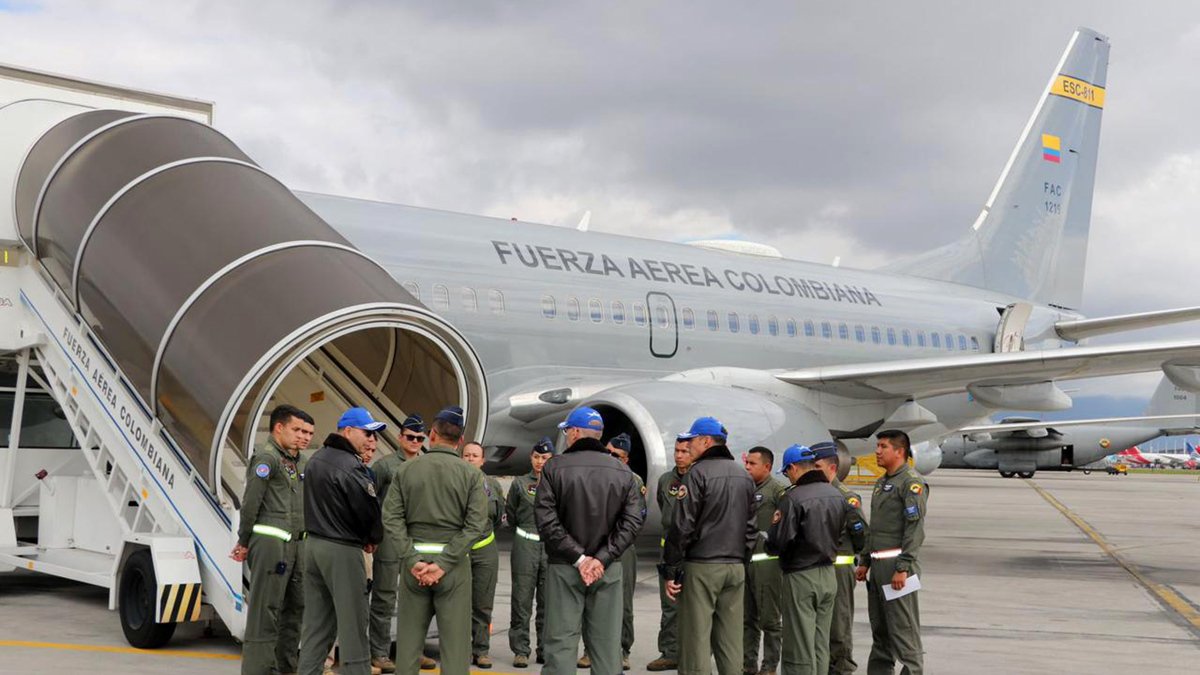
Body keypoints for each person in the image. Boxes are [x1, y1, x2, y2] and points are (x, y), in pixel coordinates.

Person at [534, 407, 644, 675]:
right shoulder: (622, 472)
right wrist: (601, 558)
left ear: (574, 433)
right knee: (607, 646)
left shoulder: (555, 467)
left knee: (560, 643)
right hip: (607, 569)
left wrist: (580, 558)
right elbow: (631, 523)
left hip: (564, 567)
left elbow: (546, 520)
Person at [383, 406, 488, 675]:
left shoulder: (406, 470)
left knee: (408, 646)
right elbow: (476, 525)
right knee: (454, 648)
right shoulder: (472, 475)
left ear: (431, 435)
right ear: (460, 441)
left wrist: (412, 559)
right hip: (453, 569)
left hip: (413, 568)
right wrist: (443, 564)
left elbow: (391, 518)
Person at [663, 417, 756, 675]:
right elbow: (751, 528)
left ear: (705, 441)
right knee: (730, 641)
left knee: (695, 641)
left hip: (702, 566)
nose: (688, 445)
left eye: (691, 440)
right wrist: (740, 560)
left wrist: (671, 569)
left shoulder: (697, 473)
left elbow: (682, 525)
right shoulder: (743, 474)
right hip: (735, 567)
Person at [297, 407, 385, 675]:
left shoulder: (316, 459)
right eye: (367, 433)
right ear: (348, 431)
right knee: (354, 628)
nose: (371, 439)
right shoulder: (350, 466)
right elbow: (368, 512)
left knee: (316, 626)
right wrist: (372, 538)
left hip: (314, 546)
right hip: (342, 550)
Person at [232, 404, 314, 675]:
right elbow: (251, 503)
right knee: (265, 612)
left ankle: (285, 668)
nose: (304, 437)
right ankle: (258, 670)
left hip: (297, 547)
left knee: (295, 610)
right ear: (279, 428)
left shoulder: (301, 462)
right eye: (298, 430)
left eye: (309, 432)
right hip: (271, 546)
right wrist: (243, 541)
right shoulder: (266, 460)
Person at [765, 445, 847, 675]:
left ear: (793, 468)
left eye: (786, 472)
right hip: (828, 575)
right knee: (820, 643)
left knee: (798, 645)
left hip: (801, 576)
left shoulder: (793, 497)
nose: (787, 476)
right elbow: (841, 534)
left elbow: (778, 541)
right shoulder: (836, 494)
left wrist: (767, 541)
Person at [854, 430, 928, 675]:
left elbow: (914, 529)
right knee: (881, 631)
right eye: (877, 446)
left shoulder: (911, 483)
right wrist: (864, 560)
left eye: (883, 446)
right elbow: (875, 528)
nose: (877, 451)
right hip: (878, 567)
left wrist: (903, 567)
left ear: (899, 451)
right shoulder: (883, 482)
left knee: (903, 631)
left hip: (897, 567)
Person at [368, 415, 434, 673]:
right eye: (410, 437)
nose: (415, 441)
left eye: (420, 438)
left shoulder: (427, 465)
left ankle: (412, 651)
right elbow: (371, 503)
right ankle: (380, 653)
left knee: (415, 600)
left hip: (417, 542)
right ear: (400, 437)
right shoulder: (384, 466)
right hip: (390, 540)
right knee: (384, 598)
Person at [580, 432, 647, 671]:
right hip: (596, 545)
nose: (611, 457)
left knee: (623, 602)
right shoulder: (597, 475)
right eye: (608, 452)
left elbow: (637, 519)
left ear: (626, 459)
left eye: (617, 455)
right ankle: (590, 650)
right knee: (592, 600)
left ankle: (623, 649)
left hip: (622, 548)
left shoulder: (634, 481)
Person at [811, 442, 868, 675]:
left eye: (817, 465)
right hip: (817, 569)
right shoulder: (812, 494)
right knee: (819, 626)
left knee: (838, 626)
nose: (812, 470)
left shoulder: (846, 497)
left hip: (838, 569)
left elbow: (862, 534)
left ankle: (842, 668)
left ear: (832, 467)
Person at [646, 435, 693, 672]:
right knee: (670, 605)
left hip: (693, 553)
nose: (679, 455)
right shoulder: (666, 480)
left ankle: (693, 654)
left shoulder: (699, 478)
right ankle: (669, 653)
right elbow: (665, 512)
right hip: (669, 551)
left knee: (695, 607)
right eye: (677, 450)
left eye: (685, 451)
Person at [506, 437, 554, 668]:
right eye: (536, 457)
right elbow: (512, 515)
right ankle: (521, 650)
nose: (540, 462)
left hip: (550, 548)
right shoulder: (519, 484)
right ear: (530, 458)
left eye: (545, 458)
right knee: (522, 600)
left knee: (548, 602)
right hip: (525, 545)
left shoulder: (559, 482)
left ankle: (544, 648)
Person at [742, 447, 786, 675]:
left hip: (767, 564)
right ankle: (747, 664)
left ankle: (769, 666)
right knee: (747, 618)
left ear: (767, 467)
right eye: (746, 463)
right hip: (746, 563)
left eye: (752, 464)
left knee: (769, 619)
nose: (747, 467)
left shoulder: (777, 491)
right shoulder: (745, 489)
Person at [463, 441, 505, 669]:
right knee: (459, 603)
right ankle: (461, 648)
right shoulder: (454, 482)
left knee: (483, 602)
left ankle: (481, 650)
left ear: (482, 461)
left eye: (474, 455)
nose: (470, 459)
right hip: (460, 550)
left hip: (485, 549)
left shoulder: (492, 485)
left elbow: (498, 518)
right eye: (467, 455)